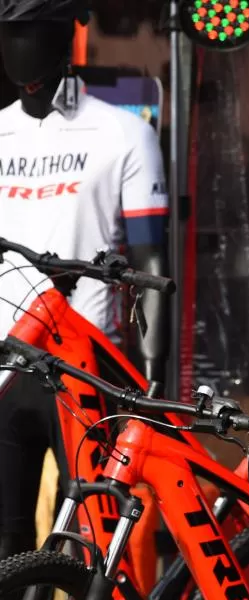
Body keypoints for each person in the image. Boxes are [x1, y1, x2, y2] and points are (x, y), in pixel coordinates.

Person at [0, 0, 170, 564]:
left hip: (85, 370)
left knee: (94, 551)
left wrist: (151, 379)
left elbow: (150, 262)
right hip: (5, 368)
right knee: (6, 550)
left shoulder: (125, 133)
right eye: (8, 33)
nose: (17, 46)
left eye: (30, 32)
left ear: (60, 36)